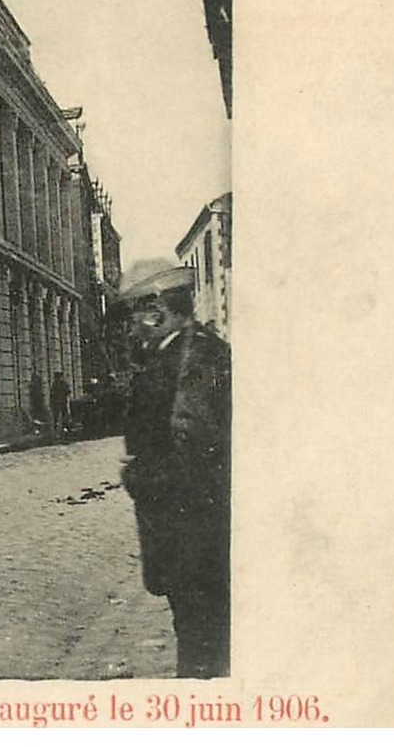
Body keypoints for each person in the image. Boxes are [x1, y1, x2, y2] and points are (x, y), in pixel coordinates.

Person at [119, 263, 232, 679]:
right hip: (193, 536)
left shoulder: (191, 359)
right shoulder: (187, 352)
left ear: (156, 312)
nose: (130, 329)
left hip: (195, 537)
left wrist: (139, 477)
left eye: (133, 316)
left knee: (202, 643)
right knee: (200, 634)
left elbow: (195, 451)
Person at [50, 372, 72, 438]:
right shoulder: (63, 383)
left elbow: (52, 395)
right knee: (64, 415)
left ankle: (56, 430)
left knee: (56, 417)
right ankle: (65, 428)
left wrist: (51, 403)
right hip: (62, 402)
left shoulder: (54, 384)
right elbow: (68, 391)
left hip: (56, 403)